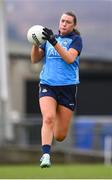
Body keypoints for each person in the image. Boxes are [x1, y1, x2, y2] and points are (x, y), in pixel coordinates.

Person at [31, 11, 83, 168]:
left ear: (74, 25)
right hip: (48, 84)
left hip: (67, 88)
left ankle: (50, 141)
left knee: (60, 135)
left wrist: (54, 42)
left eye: (68, 22)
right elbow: (34, 59)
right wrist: (35, 42)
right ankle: (46, 155)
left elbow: (69, 59)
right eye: (62, 21)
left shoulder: (76, 40)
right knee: (48, 118)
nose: (64, 23)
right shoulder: (48, 39)